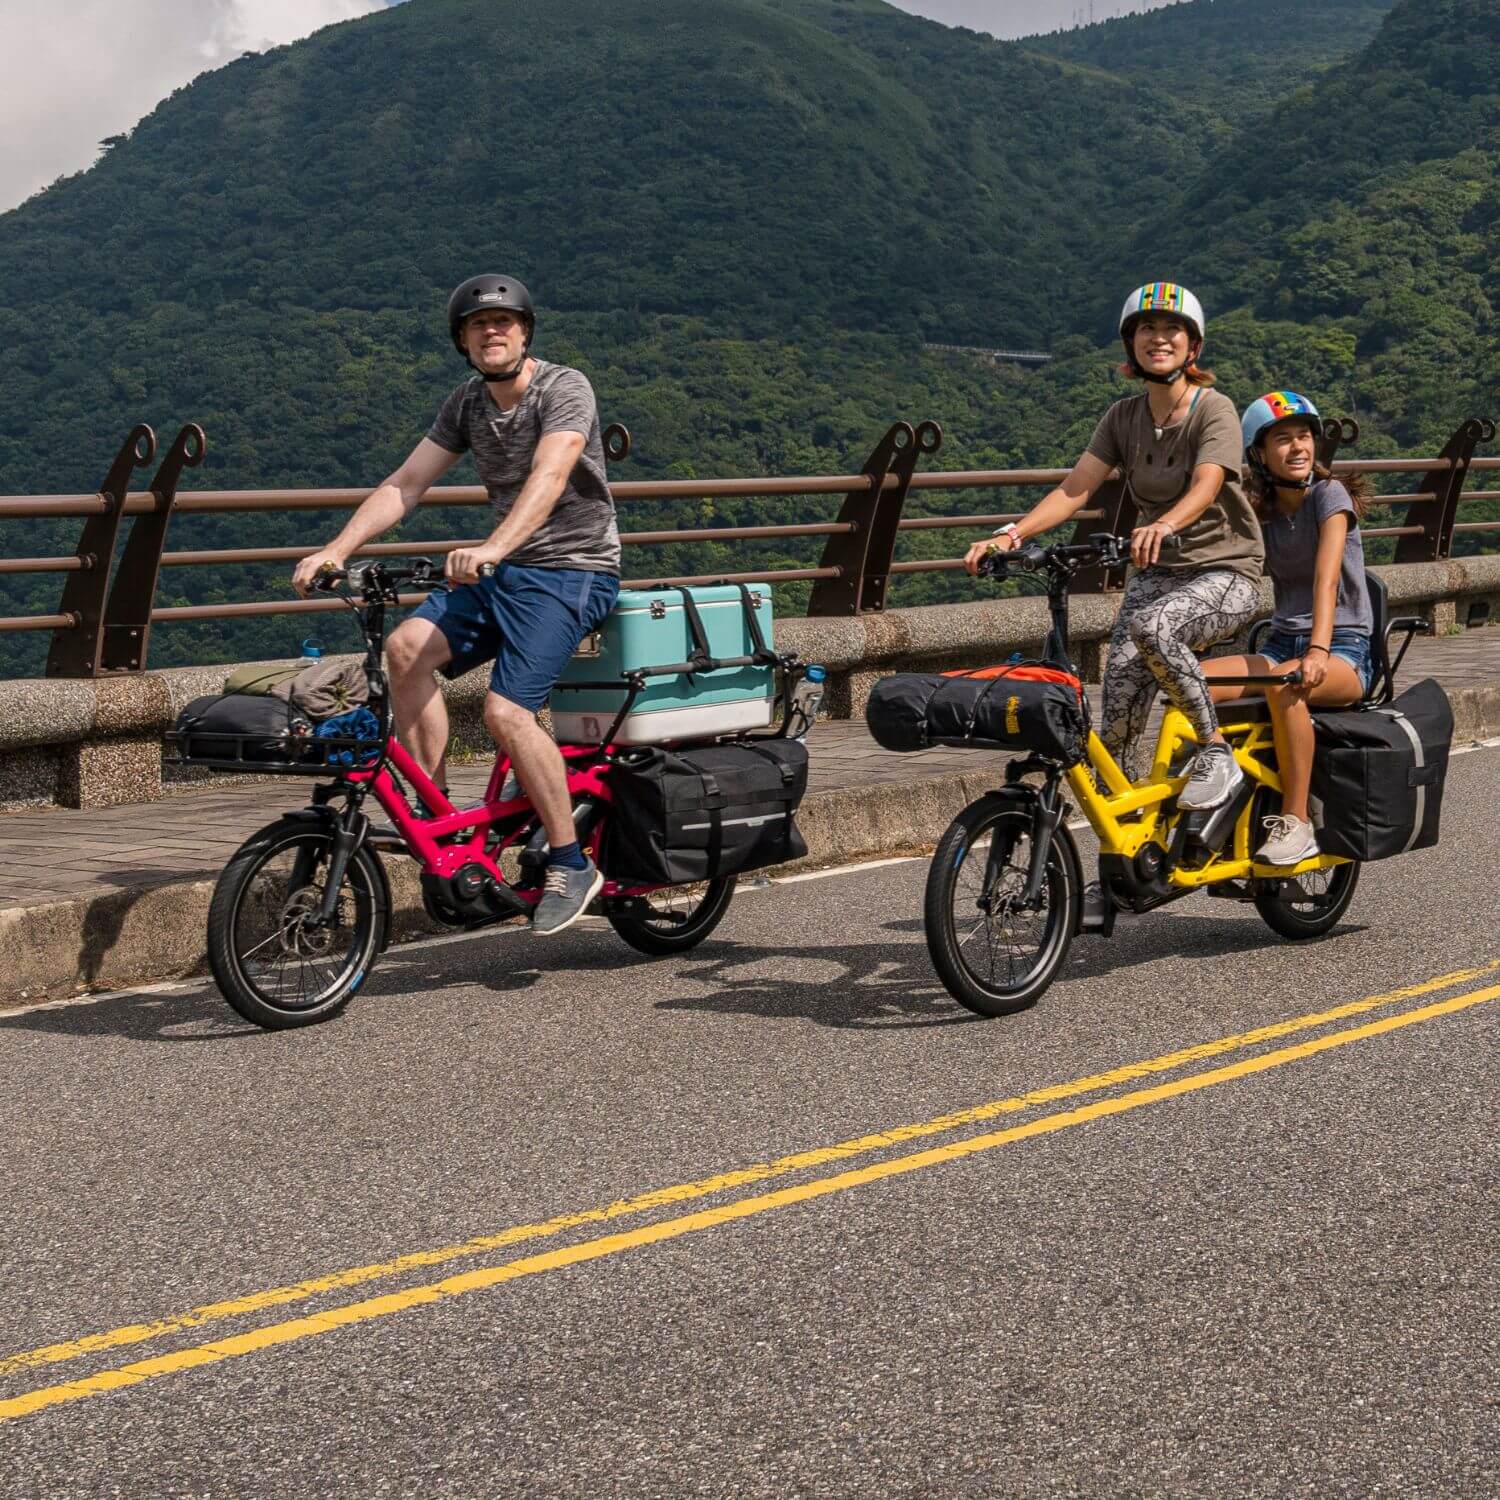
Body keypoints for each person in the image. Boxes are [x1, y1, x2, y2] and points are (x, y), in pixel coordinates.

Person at [293, 274, 621, 935]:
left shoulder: (565, 388)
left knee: (506, 712)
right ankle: (437, 819)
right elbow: (407, 483)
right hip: (503, 571)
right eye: (478, 326)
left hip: (571, 572)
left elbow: (550, 475)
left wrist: (494, 546)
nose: (491, 332)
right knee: (404, 649)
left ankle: (569, 861)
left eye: (504, 322)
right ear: (462, 342)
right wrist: (337, 548)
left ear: (525, 332)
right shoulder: (468, 404)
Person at [964, 282, 1263, 807]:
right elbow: (1074, 489)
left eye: (1173, 329)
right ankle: (1126, 857)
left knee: (1154, 629)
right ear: (1131, 345)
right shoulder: (1123, 418)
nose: (1159, 338)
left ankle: (1214, 748)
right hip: (1156, 573)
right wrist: (1011, 535)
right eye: (1146, 329)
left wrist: (1165, 525)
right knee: (1117, 710)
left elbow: (1208, 482)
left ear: (1193, 347)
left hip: (1226, 572)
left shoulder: (1213, 410)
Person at [1202, 391, 1374, 866]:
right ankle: (1218, 778)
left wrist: (1318, 651)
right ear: (1260, 454)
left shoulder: (1330, 496)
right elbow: (1226, 570)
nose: (1298, 447)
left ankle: (1296, 822)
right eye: (1283, 440)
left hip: (1344, 647)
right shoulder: (1264, 512)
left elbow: (1327, 578)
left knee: (1286, 684)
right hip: (1280, 643)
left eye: (1304, 437)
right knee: (1191, 681)